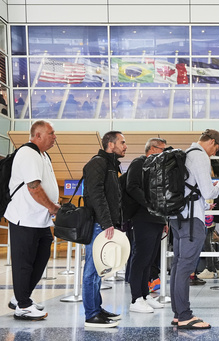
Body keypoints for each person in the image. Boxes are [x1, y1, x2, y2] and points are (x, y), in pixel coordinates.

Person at [168, 129, 219, 329]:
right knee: (185, 267)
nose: (213, 154)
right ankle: (185, 315)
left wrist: (203, 204)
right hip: (191, 221)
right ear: (212, 142)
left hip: (177, 217)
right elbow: (208, 190)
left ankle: (178, 314)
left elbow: (191, 190)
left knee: (178, 266)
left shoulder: (186, 154)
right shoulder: (200, 157)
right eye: (216, 150)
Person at [5, 120, 60, 321]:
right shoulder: (28, 153)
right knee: (24, 263)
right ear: (37, 135)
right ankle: (24, 306)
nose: (55, 137)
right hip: (25, 218)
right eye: (51, 133)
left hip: (41, 219)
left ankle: (20, 297)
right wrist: (53, 207)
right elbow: (34, 187)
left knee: (41, 258)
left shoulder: (43, 155)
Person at [82, 130, 127, 328]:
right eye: (122, 142)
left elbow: (113, 197)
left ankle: (97, 309)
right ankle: (91, 314)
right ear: (111, 144)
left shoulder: (110, 165)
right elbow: (96, 195)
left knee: (99, 270)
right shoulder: (98, 163)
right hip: (98, 224)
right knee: (91, 271)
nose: (125, 146)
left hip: (105, 224)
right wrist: (107, 222)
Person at [126, 138, 168, 313]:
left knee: (149, 260)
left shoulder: (157, 169)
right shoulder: (139, 163)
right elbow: (132, 186)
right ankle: (136, 299)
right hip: (142, 217)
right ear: (151, 148)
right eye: (161, 150)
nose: (164, 154)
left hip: (156, 218)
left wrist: (163, 219)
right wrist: (149, 204)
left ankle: (145, 295)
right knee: (140, 258)